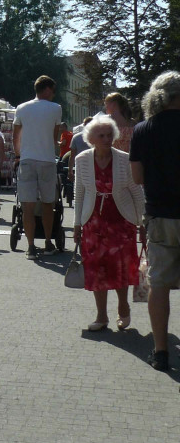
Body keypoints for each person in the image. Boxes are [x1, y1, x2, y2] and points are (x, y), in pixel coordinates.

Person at [73, 115, 145, 332]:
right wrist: (77, 224)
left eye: (109, 135)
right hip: (93, 221)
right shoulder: (82, 159)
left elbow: (136, 192)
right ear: (91, 138)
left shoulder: (124, 159)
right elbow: (79, 192)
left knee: (121, 266)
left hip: (121, 221)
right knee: (96, 269)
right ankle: (101, 315)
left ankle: (123, 307)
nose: (106, 139)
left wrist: (142, 221)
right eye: (101, 135)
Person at [130, 70, 180, 372]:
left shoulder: (143, 130)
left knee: (159, 284)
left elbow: (137, 177)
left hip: (160, 214)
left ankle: (160, 352)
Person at [13, 76, 63, 260]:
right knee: (48, 203)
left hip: (27, 159)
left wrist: (18, 155)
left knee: (28, 205)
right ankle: (48, 242)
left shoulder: (21, 108)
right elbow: (54, 137)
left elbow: (16, 136)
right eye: (53, 91)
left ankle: (31, 246)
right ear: (48, 89)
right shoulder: (56, 108)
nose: (53, 94)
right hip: (47, 160)